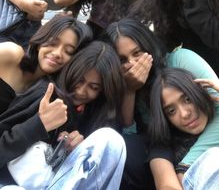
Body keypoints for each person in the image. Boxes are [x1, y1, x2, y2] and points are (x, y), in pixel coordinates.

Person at [104, 18, 219, 189]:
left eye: (137, 53)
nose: (133, 63)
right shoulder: (134, 93)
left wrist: (186, 167)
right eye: (123, 60)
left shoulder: (180, 60)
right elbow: (135, 136)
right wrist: (130, 91)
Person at [0, 40, 126, 188]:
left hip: (56, 181)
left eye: (93, 87)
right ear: (71, 71)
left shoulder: (92, 113)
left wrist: (73, 151)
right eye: (79, 80)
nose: (81, 91)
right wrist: (39, 124)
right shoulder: (46, 95)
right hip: (9, 182)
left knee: (111, 140)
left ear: (103, 91)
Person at [148, 67, 219, 190]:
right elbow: (167, 185)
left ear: (199, 92)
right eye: (171, 111)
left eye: (187, 99)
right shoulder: (163, 147)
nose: (184, 114)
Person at [0, 14, 93, 114]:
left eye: (69, 51)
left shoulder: (54, 90)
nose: (57, 53)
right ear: (40, 42)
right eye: (52, 43)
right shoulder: (11, 54)